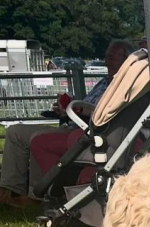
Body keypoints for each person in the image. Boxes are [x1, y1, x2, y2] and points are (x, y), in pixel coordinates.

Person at [0, 40, 133, 207]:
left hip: (86, 130)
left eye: (112, 58)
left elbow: (105, 114)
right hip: (73, 123)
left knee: (39, 138)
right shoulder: (105, 81)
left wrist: (76, 110)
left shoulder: (123, 86)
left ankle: (37, 194)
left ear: (126, 61)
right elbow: (87, 105)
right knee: (14, 131)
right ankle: (10, 190)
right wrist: (67, 107)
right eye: (106, 57)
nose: (106, 62)